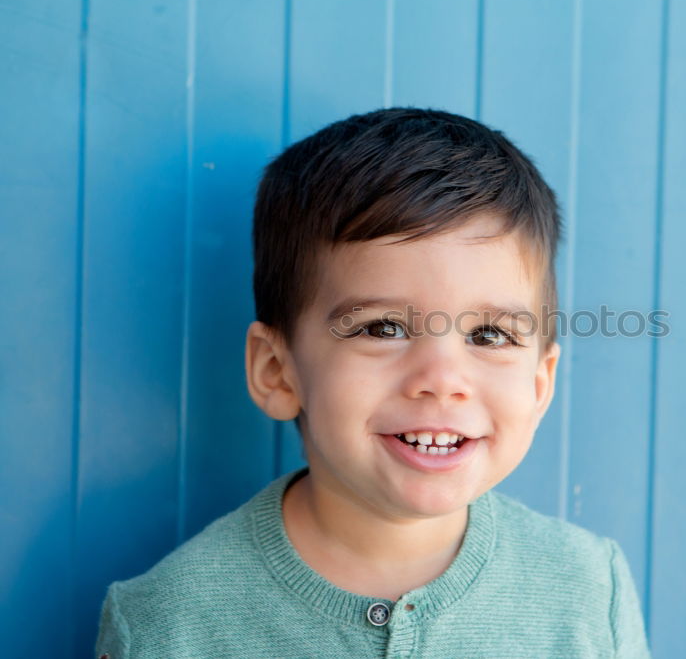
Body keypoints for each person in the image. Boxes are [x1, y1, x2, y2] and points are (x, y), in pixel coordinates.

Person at [95, 107, 651, 658]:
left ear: (539, 383)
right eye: (383, 328)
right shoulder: (167, 623)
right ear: (275, 371)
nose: (442, 381)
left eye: (488, 336)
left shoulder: (587, 589)